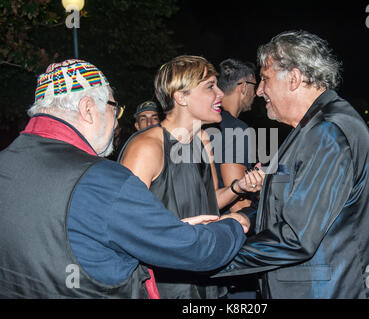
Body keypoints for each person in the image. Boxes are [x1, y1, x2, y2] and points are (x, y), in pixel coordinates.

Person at [0, 59, 250, 298]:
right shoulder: (102, 179)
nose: (116, 120)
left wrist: (167, 228)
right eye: (114, 108)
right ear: (88, 109)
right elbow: (188, 248)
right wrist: (234, 226)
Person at [214, 30, 369, 298]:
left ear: (294, 78)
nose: (259, 91)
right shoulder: (311, 128)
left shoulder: (328, 132)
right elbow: (292, 210)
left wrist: (210, 257)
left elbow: (296, 237)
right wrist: (243, 219)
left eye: (265, 79)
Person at [119, 55, 265, 299]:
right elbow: (125, 225)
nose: (220, 93)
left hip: (204, 278)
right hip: (165, 285)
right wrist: (178, 231)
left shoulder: (203, 140)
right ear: (181, 96)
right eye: (210, 86)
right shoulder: (147, 146)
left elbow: (210, 203)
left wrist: (239, 187)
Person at [212, 59, 259, 298]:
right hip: (232, 238)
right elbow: (238, 197)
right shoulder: (234, 127)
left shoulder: (210, 123)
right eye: (255, 85)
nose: (258, 92)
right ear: (243, 87)